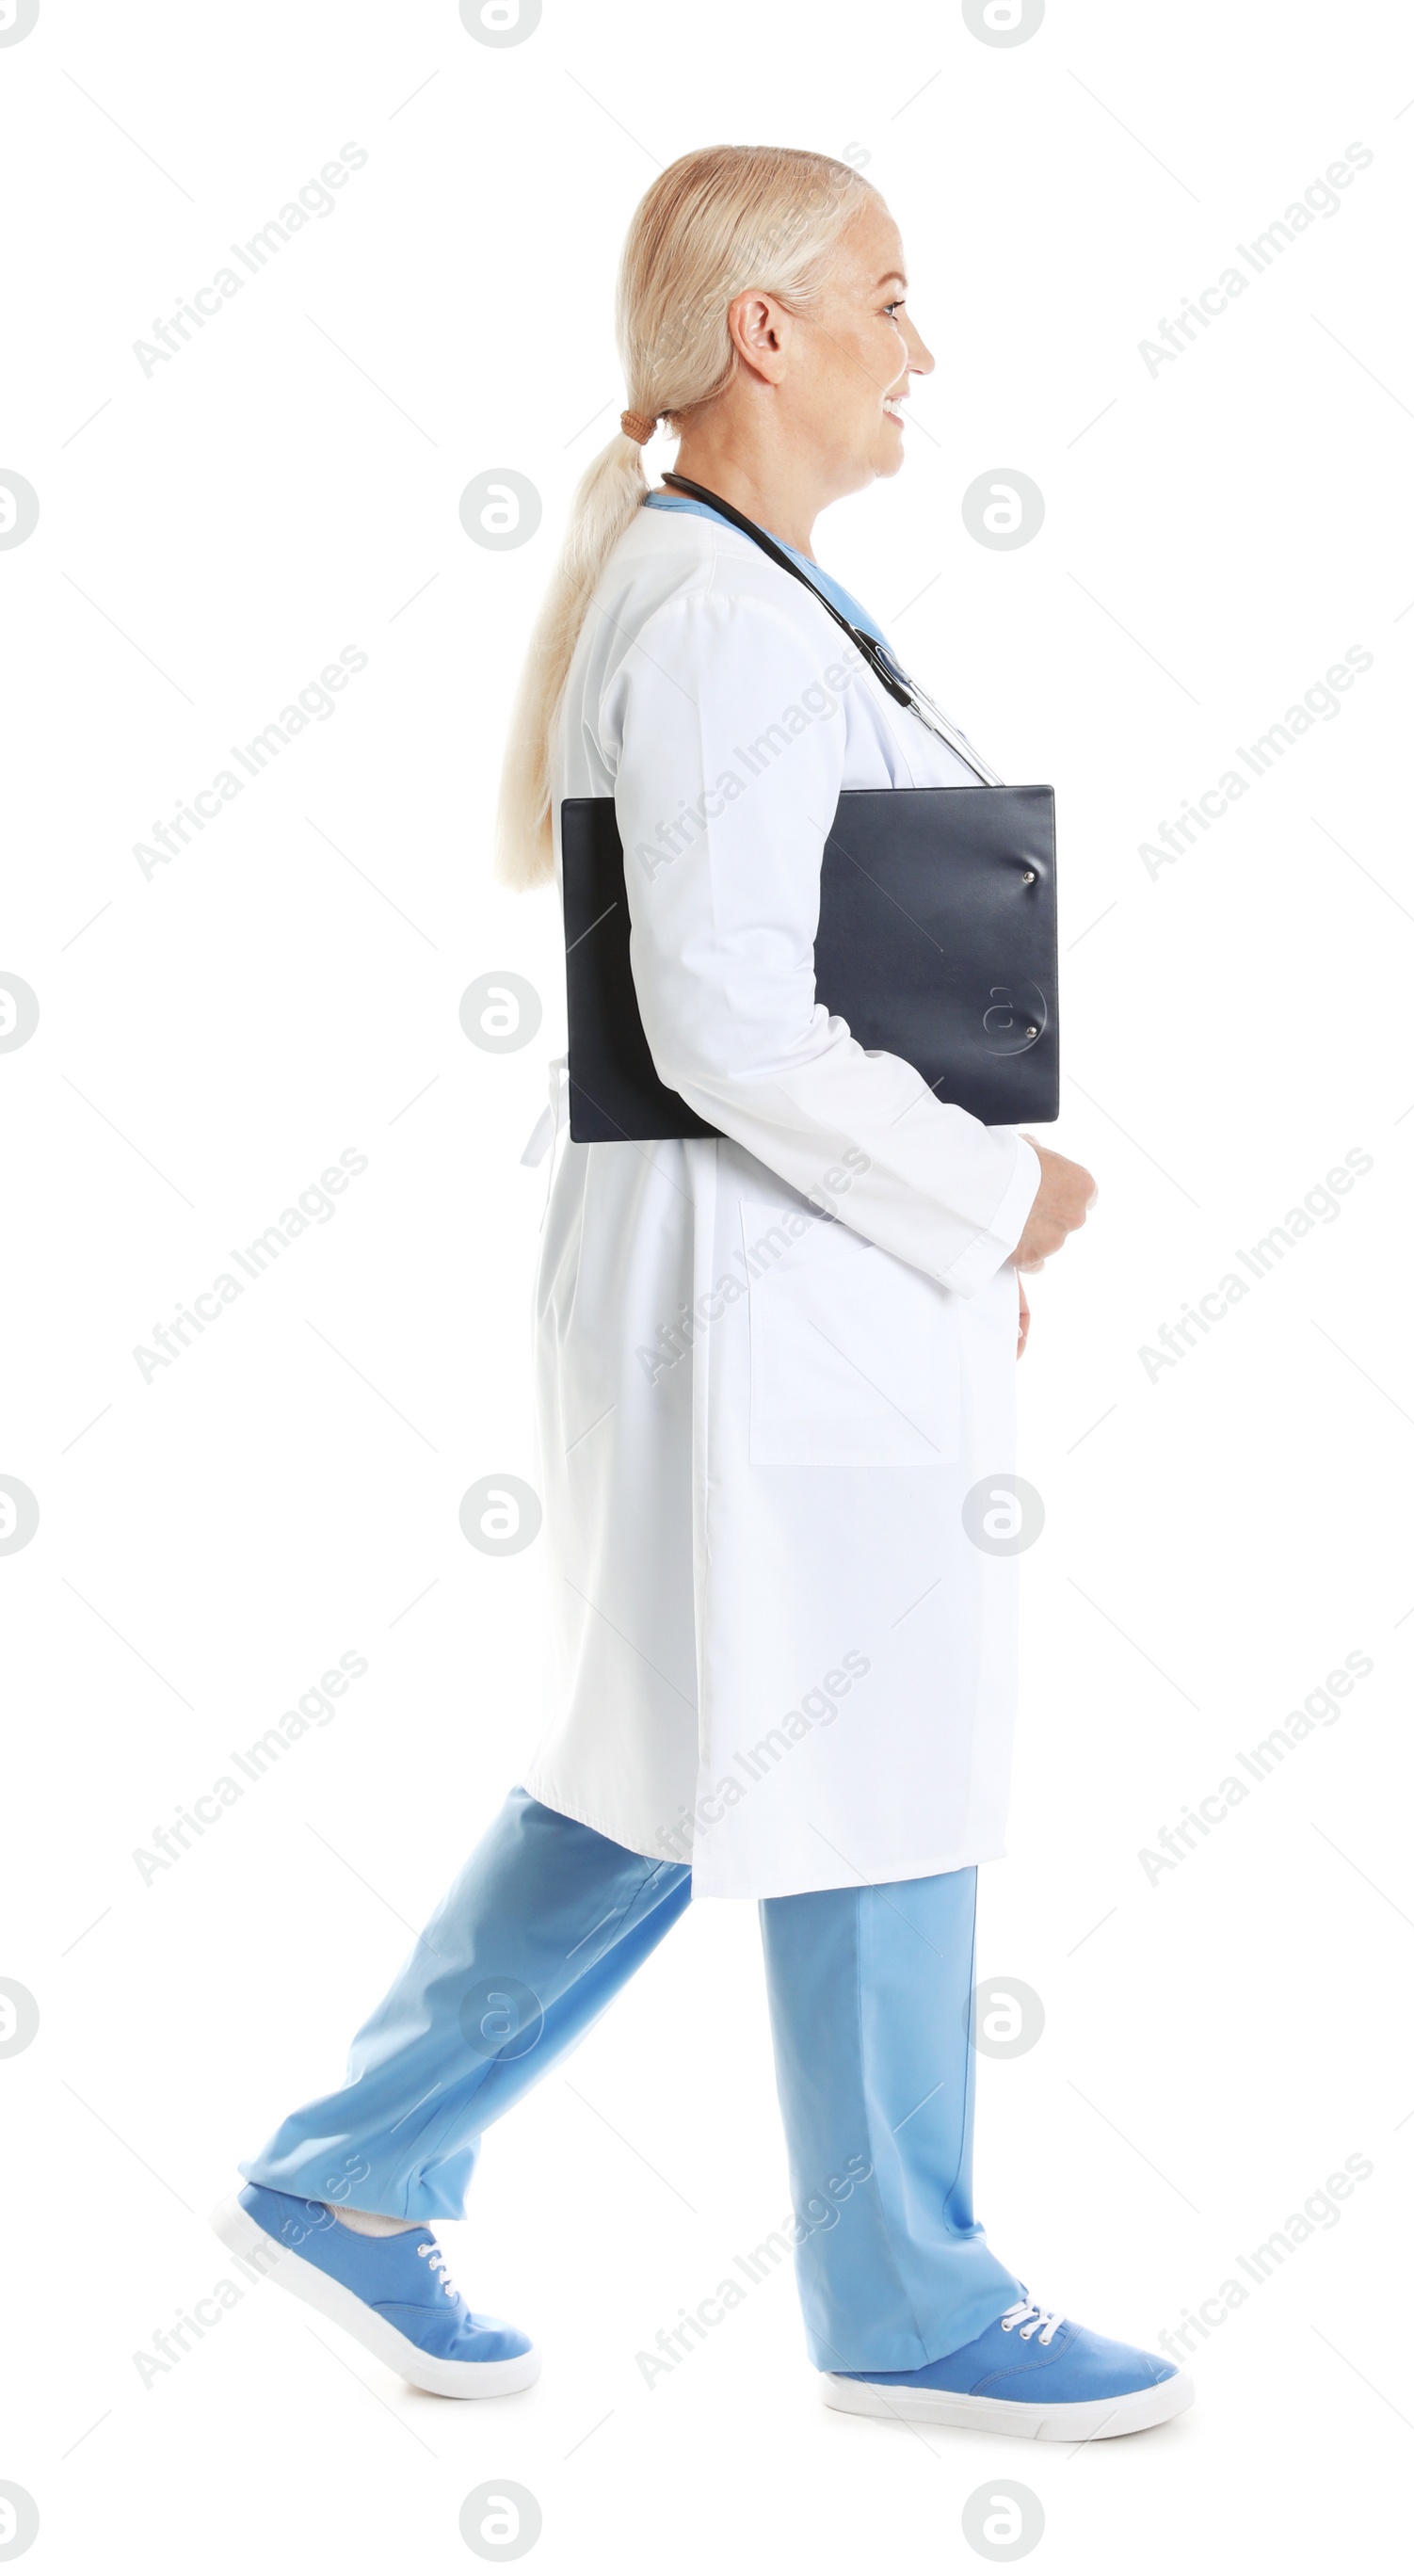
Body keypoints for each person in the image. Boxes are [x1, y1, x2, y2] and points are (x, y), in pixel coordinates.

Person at [214, 143, 1191, 2443]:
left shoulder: (738, 593)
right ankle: (905, 2291)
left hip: (783, 1280)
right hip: (757, 1290)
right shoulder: (719, 620)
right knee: (835, 1757)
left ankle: (352, 2167)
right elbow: (737, 1017)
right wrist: (988, 1190)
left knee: (676, 1760)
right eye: (883, 297)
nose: (915, 347)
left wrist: (932, 1239)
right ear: (766, 330)